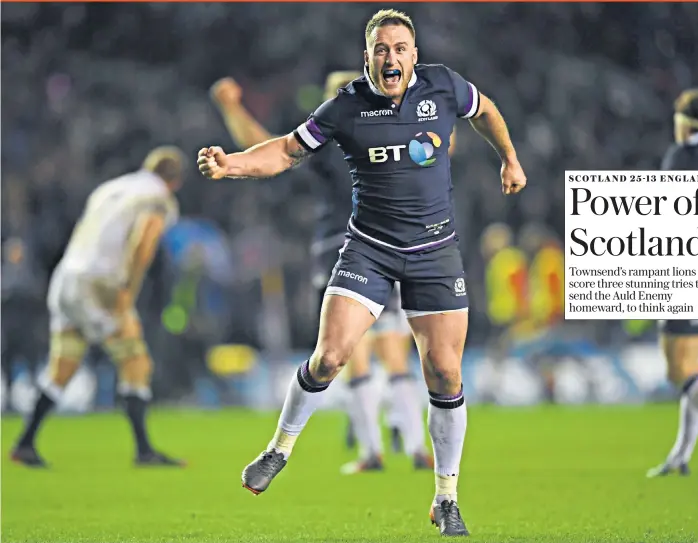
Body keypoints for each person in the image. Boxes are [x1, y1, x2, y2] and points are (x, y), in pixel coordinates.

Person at [198, 9, 526, 536]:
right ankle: (279, 449)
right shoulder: (347, 105)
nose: (390, 57)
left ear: (414, 54)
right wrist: (231, 163)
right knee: (330, 357)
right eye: (381, 49)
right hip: (368, 250)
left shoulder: (444, 86)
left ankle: (445, 498)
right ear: (367, 56)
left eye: (399, 48)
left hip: (435, 251)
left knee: (444, 373)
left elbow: (485, 109)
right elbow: (285, 150)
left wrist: (508, 157)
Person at [209, 73, 455, 473]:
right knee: (395, 352)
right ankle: (415, 448)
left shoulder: (331, 138)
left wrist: (230, 107)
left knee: (350, 352)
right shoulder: (388, 134)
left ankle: (371, 453)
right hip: (393, 246)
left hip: (340, 249)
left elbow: (264, 144)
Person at [10, 147, 187, 468]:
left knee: (62, 367)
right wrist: (128, 289)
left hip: (66, 278)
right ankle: (144, 450)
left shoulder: (110, 188)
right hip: (100, 282)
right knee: (136, 361)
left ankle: (25, 443)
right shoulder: (158, 198)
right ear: (175, 181)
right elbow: (143, 241)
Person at [647, 88, 698, 480]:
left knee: (682, 368)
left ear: (689, 123)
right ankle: (681, 454)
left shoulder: (684, 157)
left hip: (695, 269)